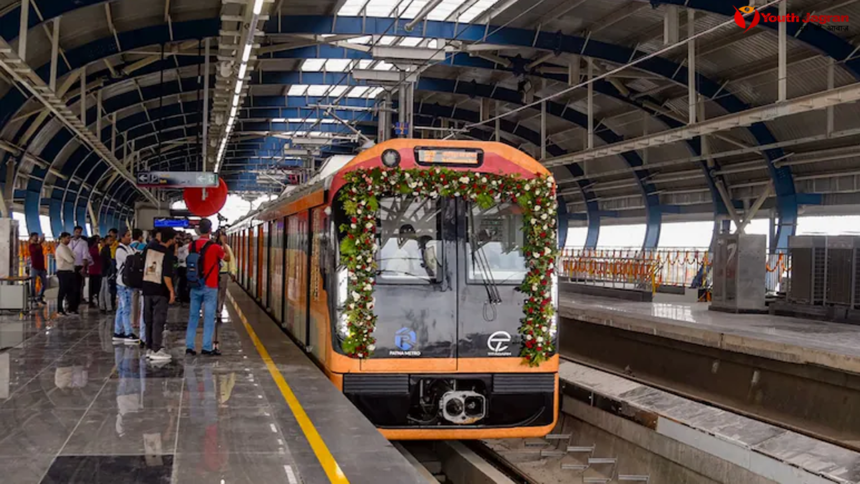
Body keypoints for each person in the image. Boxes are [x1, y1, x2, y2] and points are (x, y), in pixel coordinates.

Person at [186, 219, 229, 356]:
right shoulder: (215, 247)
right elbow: (227, 258)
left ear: (199, 230)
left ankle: (189, 346)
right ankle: (206, 347)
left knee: (193, 316)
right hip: (210, 285)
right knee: (209, 317)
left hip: (195, 285)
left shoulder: (191, 246)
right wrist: (223, 243)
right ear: (210, 230)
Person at [142, 227, 177, 361]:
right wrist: (171, 291)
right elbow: (166, 276)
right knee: (158, 320)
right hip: (160, 291)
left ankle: (150, 348)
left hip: (147, 289)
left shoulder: (148, 250)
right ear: (170, 239)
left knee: (148, 320)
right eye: (174, 239)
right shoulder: (167, 254)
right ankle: (157, 349)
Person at [113, 229, 138, 345]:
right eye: (128, 235)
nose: (130, 238)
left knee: (122, 308)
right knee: (126, 308)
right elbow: (131, 261)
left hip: (128, 282)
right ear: (122, 237)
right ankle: (128, 332)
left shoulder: (130, 248)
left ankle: (118, 331)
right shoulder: (120, 250)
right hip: (123, 283)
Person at [214, 231, 236, 350]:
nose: (225, 239)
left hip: (223, 274)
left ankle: (219, 312)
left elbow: (231, 260)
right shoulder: (214, 247)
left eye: (225, 237)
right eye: (223, 237)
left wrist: (233, 272)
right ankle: (215, 310)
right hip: (213, 274)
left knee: (221, 294)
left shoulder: (227, 248)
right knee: (214, 294)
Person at [129, 229, 147, 347]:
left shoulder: (129, 246)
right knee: (143, 300)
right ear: (140, 237)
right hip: (141, 275)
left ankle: (133, 321)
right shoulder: (144, 246)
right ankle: (140, 320)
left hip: (131, 275)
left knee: (133, 298)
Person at [55, 232, 77, 316]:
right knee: (62, 291)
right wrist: (72, 258)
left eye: (69, 238)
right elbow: (70, 259)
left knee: (71, 291)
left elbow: (74, 256)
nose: (69, 240)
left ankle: (70, 309)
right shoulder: (61, 248)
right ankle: (60, 310)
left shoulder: (66, 248)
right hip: (63, 272)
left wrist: (72, 258)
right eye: (67, 238)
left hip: (69, 272)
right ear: (62, 238)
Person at [69, 226, 91, 300]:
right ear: (73, 232)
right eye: (76, 232)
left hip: (78, 266)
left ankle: (77, 299)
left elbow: (85, 255)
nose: (78, 234)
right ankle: (69, 299)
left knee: (78, 285)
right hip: (69, 266)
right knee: (70, 285)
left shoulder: (83, 243)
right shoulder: (69, 241)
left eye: (79, 232)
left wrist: (84, 267)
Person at [28, 233, 47, 305]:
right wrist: (40, 242)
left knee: (45, 283)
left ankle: (39, 296)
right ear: (31, 238)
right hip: (34, 267)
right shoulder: (31, 246)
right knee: (33, 283)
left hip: (41, 267)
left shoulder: (39, 245)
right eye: (35, 236)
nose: (36, 238)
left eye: (37, 236)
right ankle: (33, 298)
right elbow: (35, 250)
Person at [99, 233, 114, 313]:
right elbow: (107, 262)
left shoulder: (104, 249)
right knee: (107, 290)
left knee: (103, 289)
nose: (111, 242)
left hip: (103, 271)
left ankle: (102, 306)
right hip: (105, 271)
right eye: (110, 240)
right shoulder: (106, 250)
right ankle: (108, 307)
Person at [87, 236, 102, 307]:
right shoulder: (92, 248)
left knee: (95, 286)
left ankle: (94, 300)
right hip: (94, 269)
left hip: (95, 268)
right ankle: (92, 300)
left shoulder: (96, 248)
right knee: (94, 286)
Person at [176, 236, 190, 304]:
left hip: (181, 267)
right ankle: (184, 297)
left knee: (182, 283)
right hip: (185, 268)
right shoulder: (186, 248)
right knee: (184, 283)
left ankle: (181, 297)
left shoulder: (180, 249)